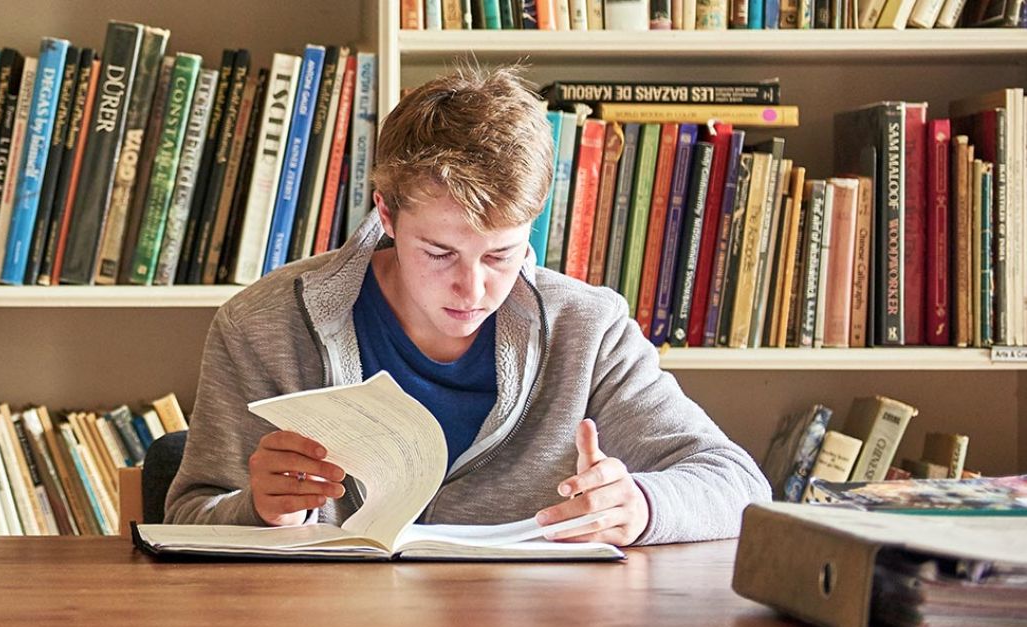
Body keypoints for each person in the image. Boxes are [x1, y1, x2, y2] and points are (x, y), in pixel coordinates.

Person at [165, 65, 769, 545]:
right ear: (386, 215)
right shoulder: (263, 323)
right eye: (438, 253)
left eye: (502, 255)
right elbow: (188, 515)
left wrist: (641, 505)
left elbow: (739, 485)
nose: (474, 289)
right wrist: (262, 511)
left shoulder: (589, 329)